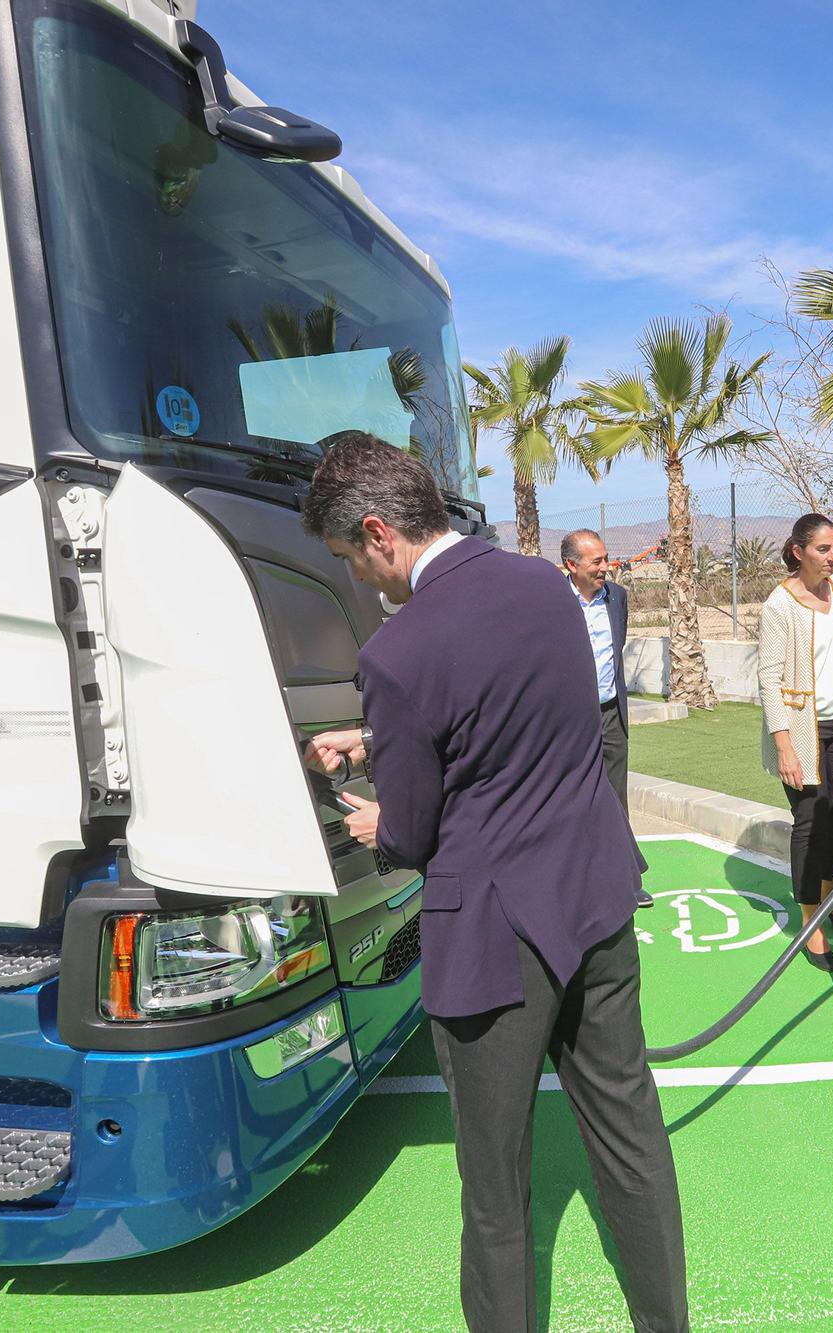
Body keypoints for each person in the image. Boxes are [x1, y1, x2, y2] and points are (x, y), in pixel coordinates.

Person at [299, 434, 687, 1333]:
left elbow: (414, 830)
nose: (364, 580)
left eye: (352, 559)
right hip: (592, 899)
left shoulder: (398, 653)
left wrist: (373, 821)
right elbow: (512, 706)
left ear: (377, 531)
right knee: (630, 1139)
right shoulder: (545, 586)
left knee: (495, 1185)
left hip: (494, 944)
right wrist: (377, 736)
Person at [756, 513, 833, 972]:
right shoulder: (779, 606)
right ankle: (811, 920)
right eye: (823, 550)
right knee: (811, 822)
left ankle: (830, 896)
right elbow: (769, 679)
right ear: (798, 552)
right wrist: (784, 746)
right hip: (803, 730)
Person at [562, 528, 652, 910]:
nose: (605, 567)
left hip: (611, 714)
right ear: (571, 565)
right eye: (596, 561)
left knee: (616, 798)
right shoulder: (552, 602)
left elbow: (616, 649)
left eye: (606, 558)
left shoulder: (617, 598)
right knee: (571, 799)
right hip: (569, 721)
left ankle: (625, 881)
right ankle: (573, 881)